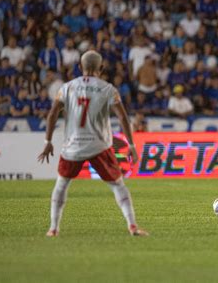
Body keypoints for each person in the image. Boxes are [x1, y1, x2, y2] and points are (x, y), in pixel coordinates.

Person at [37, 50, 148, 237]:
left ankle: (53, 228)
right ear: (102, 68)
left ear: (80, 67)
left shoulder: (66, 88)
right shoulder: (108, 89)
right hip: (99, 146)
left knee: (62, 184)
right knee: (118, 185)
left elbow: (52, 114)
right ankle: (132, 226)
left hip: (73, 146)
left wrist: (48, 141)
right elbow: (122, 117)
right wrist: (131, 145)